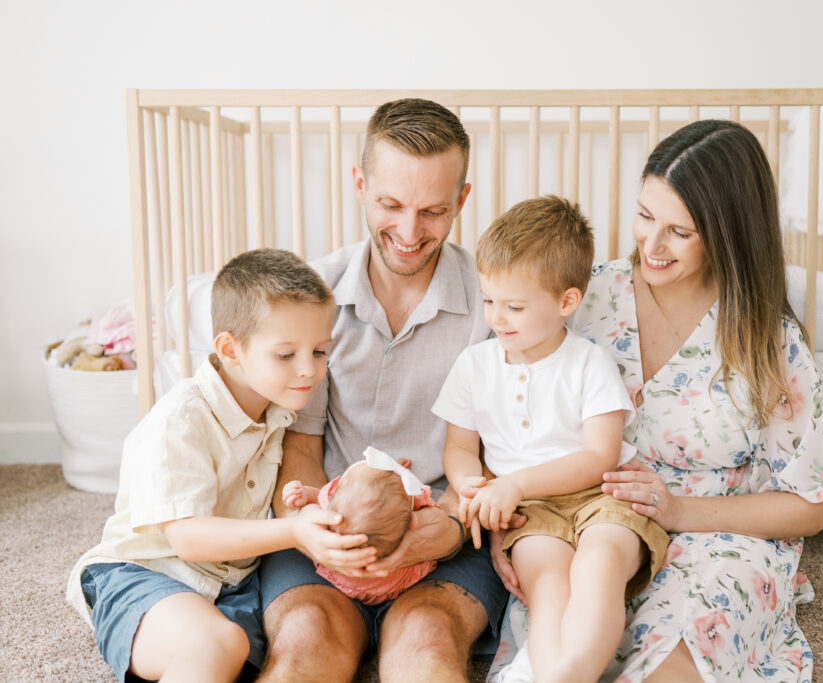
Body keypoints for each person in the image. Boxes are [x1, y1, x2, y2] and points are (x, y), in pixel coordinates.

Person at [489, 120, 823, 683]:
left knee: (671, 668)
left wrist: (677, 510)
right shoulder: (583, 300)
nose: (651, 246)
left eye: (679, 232)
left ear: (726, 233)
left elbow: (811, 506)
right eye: (645, 216)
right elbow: (507, 411)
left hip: (717, 540)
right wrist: (507, 526)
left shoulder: (765, 337)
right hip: (583, 526)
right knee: (553, 655)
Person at [258, 98, 506, 682]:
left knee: (426, 640)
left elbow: (504, 450)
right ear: (360, 184)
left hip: (448, 528)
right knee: (304, 641)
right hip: (328, 523)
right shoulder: (313, 293)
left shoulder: (493, 304)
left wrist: (447, 526)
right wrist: (321, 534)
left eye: (434, 211)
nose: (410, 233)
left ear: (462, 201)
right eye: (391, 205)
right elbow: (300, 443)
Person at [65, 248, 338, 682]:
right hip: (145, 573)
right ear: (230, 349)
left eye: (321, 351)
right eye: (286, 355)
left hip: (230, 587)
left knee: (248, 653)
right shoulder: (182, 417)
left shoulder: (277, 409)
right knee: (217, 644)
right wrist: (291, 530)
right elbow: (188, 538)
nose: (309, 370)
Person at [433, 196, 669, 683]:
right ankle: (551, 672)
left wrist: (514, 483)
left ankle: (570, 674)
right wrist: (472, 485)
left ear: (566, 302)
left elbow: (599, 456)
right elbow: (460, 447)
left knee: (598, 566)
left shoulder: (588, 363)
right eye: (490, 301)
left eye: (514, 306)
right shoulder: (474, 366)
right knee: (547, 585)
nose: (497, 317)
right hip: (531, 511)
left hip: (600, 495)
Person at [281, 446, 441, 605]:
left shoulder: (338, 509)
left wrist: (305, 494)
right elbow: (426, 510)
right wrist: (401, 482)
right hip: (395, 582)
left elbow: (322, 498)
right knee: (425, 547)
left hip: (342, 579)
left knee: (315, 513)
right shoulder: (411, 502)